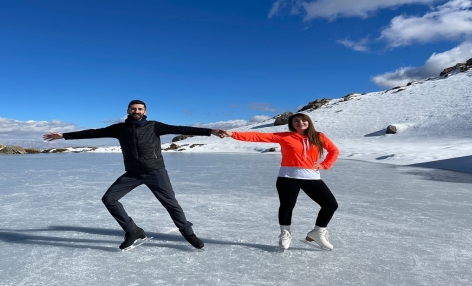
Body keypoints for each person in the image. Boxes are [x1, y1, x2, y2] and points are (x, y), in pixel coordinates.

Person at [43, 100, 226, 250]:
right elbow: (93, 132)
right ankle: (132, 230)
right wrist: (64, 136)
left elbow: (183, 129)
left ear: (145, 111)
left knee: (171, 204)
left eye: (140, 108)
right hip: (132, 173)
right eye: (133, 108)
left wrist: (211, 131)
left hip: (155, 172)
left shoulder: (155, 126)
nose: (136, 111)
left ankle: (188, 233)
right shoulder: (120, 128)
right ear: (128, 110)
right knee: (109, 199)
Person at [223, 113, 339, 250]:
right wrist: (232, 134)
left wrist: (324, 165)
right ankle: (285, 232)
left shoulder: (319, 136)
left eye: (303, 120)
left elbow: (334, 151)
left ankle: (318, 232)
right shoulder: (285, 136)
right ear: (292, 124)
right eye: (296, 121)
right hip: (287, 177)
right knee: (287, 206)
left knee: (330, 204)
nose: (300, 122)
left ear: (309, 122)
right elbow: (258, 136)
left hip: (311, 177)